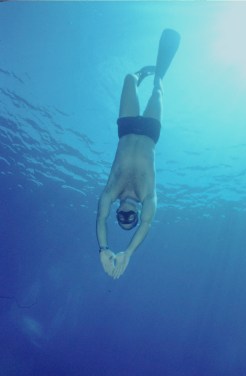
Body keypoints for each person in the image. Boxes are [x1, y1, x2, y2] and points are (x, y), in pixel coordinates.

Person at [96, 29, 181, 279]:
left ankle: (143, 73)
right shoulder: (148, 196)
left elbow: (100, 218)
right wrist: (129, 253)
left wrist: (104, 249)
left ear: (117, 211)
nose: (126, 214)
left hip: (126, 129)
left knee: (128, 79)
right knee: (158, 92)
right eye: (129, 219)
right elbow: (147, 224)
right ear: (136, 216)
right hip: (151, 134)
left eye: (121, 216)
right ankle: (158, 77)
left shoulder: (111, 192)